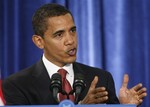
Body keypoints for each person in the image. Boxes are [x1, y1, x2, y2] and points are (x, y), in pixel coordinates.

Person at [2, 3, 147, 105]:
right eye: (59, 35)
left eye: (72, 30)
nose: (70, 40)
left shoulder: (101, 79)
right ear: (39, 41)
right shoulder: (17, 85)